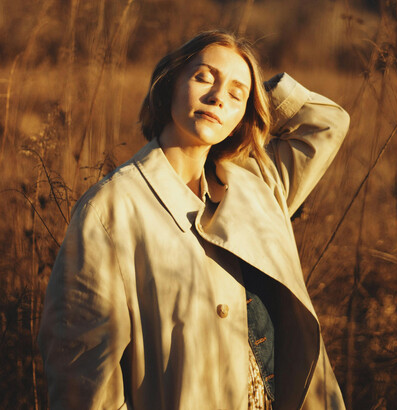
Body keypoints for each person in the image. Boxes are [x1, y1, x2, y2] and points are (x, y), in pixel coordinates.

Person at [38, 30, 350, 409]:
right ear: (169, 84)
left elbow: (326, 122)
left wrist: (252, 98)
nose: (218, 97)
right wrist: (236, 91)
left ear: (243, 116)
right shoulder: (111, 209)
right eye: (204, 77)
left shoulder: (258, 184)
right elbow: (82, 375)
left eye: (237, 94)